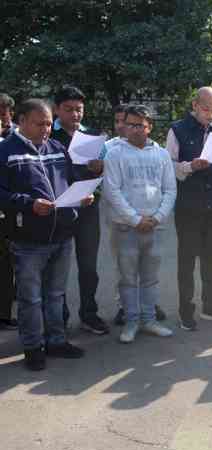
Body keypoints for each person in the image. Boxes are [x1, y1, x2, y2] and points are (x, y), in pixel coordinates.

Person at [0, 99, 92, 370]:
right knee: (30, 298)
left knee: (56, 294)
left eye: (50, 123)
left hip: (62, 234)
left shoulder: (56, 148)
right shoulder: (5, 152)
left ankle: (56, 341)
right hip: (28, 239)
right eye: (40, 123)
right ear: (22, 121)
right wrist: (29, 204)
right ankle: (32, 347)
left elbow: (70, 181)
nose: (46, 129)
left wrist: (81, 196)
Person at [103, 105, 176, 344]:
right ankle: (131, 321)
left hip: (156, 226)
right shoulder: (115, 153)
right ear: (123, 125)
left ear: (149, 127)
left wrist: (157, 218)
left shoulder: (162, 154)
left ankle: (148, 319)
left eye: (140, 125)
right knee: (127, 278)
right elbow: (111, 191)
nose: (134, 129)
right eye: (130, 124)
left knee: (150, 278)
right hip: (126, 227)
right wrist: (135, 220)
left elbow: (170, 189)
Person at [166, 87, 212, 330]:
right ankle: (186, 311)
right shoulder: (177, 130)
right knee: (187, 261)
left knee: (211, 259)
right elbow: (169, 167)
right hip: (189, 206)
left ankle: (211, 306)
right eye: (206, 108)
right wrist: (190, 166)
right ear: (195, 105)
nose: (210, 114)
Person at [50, 85, 109, 335]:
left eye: (79, 110)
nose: (75, 115)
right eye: (69, 109)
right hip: (58, 211)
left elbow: (105, 173)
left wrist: (100, 168)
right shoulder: (47, 136)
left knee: (88, 266)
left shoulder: (93, 137)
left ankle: (89, 313)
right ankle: (57, 318)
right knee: (56, 268)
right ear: (56, 109)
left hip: (87, 209)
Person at [0, 93, 17, 328]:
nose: (4, 115)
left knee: (7, 263)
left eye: (6, 111)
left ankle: (4, 314)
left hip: (9, 208)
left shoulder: (16, 135)